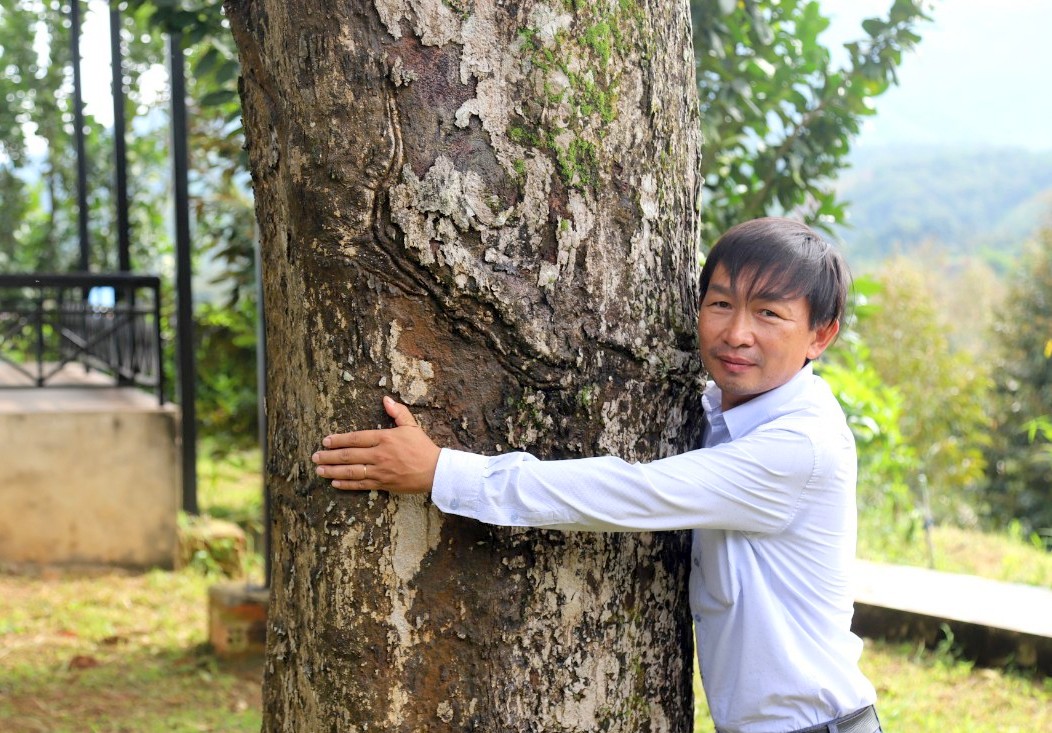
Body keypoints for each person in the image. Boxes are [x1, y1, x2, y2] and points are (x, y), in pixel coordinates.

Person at [311, 217, 882, 733]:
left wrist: (442, 471)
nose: (736, 333)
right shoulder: (728, 412)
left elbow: (631, 492)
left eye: (769, 313)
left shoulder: (798, 446)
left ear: (820, 335)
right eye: (720, 304)